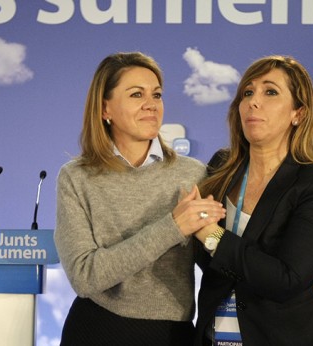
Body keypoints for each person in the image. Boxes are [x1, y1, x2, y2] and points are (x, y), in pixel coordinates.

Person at [54, 52, 226, 345]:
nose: (151, 105)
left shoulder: (194, 174)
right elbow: (85, 276)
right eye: (136, 94)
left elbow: (218, 260)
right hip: (96, 330)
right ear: (105, 108)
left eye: (156, 95)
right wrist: (173, 226)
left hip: (172, 335)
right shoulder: (76, 177)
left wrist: (300, 285)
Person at [193, 55, 313, 345]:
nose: (253, 101)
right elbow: (212, 262)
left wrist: (212, 235)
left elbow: (286, 279)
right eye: (248, 92)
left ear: (298, 113)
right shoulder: (221, 168)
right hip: (215, 336)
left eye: (271, 92)